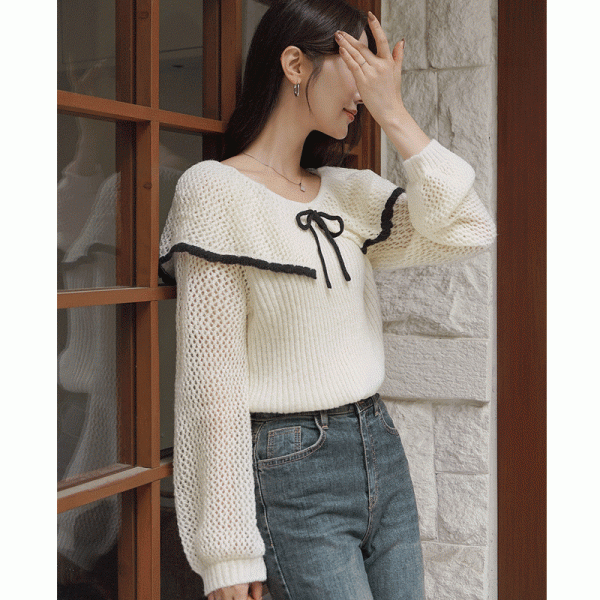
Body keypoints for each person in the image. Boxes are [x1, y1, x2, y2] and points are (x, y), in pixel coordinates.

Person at [159, 1, 496, 599]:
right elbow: (210, 384)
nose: (367, 91)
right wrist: (227, 554)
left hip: (379, 446)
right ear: (295, 64)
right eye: (359, 66)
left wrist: (396, 115)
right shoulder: (213, 191)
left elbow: (469, 228)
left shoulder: (350, 193)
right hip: (291, 468)